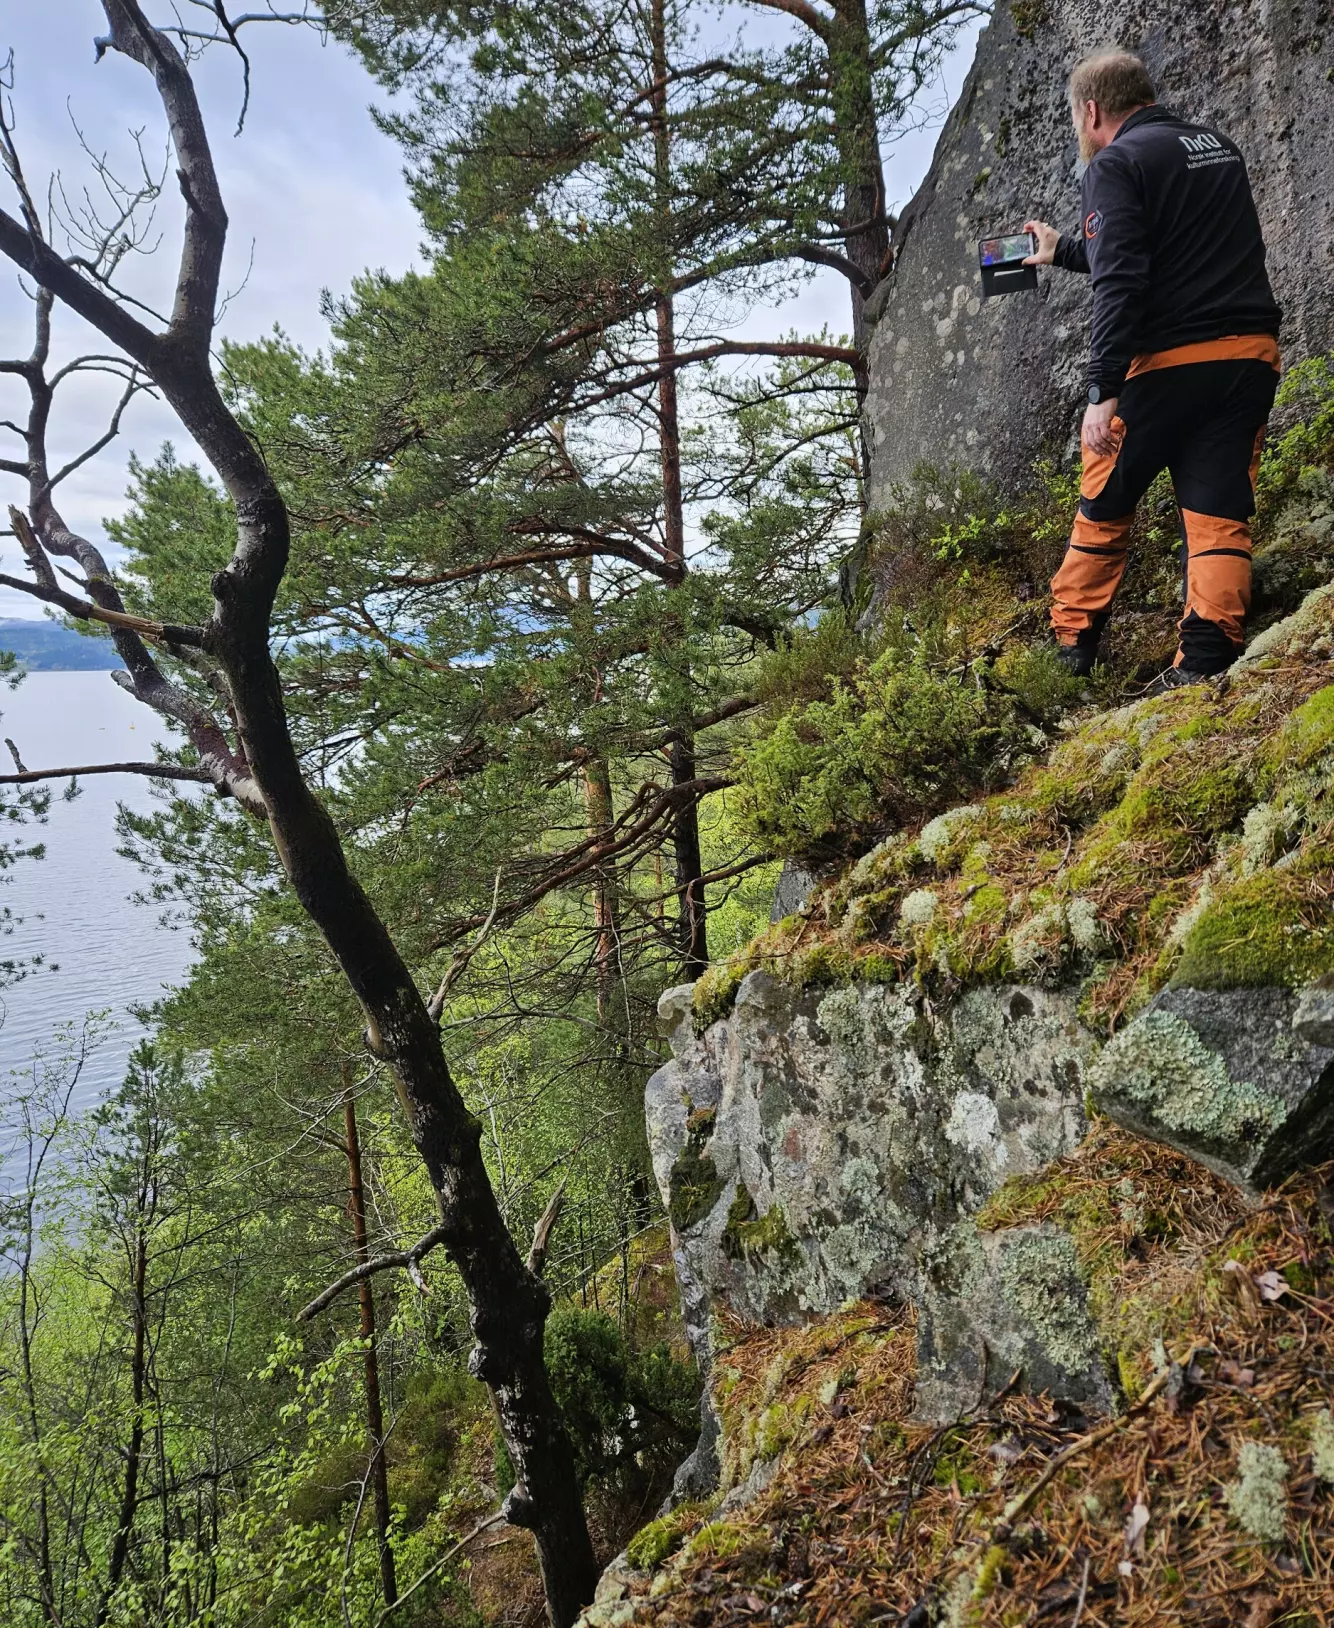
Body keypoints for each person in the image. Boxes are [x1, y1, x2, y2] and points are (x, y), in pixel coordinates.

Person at [1024, 50, 1282, 684]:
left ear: (1091, 111)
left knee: (1104, 503)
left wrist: (1101, 391)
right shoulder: (1216, 147)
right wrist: (1063, 252)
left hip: (1167, 365)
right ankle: (1203, 661)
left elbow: (1123, 282)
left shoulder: (1115, 162)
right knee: (1218, 508)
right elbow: (1159, 249)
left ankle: (1069, 650)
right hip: (1248, 358)